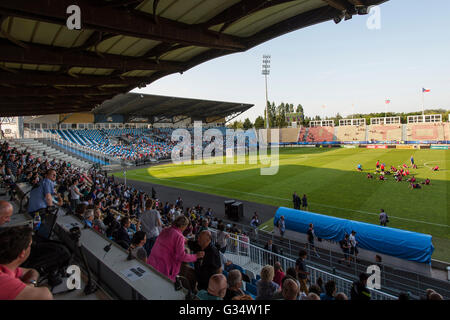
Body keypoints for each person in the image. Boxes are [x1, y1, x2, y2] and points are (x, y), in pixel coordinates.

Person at [0, 226, 53, 300]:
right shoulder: (3, 281)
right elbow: (46, 295)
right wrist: (29, 287)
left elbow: (32, 271)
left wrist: (31, 284)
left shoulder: (8, 266)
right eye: (30, 245)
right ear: (22, 253)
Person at [147, 216, 204, 282]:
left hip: (152, 262)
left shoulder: (165, 230)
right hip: (164, 270)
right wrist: (196, 256)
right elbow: (182, 256)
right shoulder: (179, 237)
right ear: (184, 226)